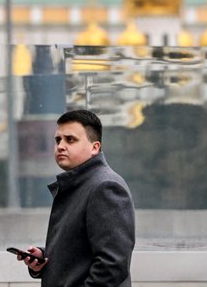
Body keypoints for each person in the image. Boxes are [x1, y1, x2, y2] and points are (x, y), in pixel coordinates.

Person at [15, 109, 135, 287]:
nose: (60, 146)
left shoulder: (105, 187)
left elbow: (112, 266)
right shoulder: (80, 185)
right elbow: (80, 253)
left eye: (70, 139)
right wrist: (44, 258)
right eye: (58, 140)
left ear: (95, 147)